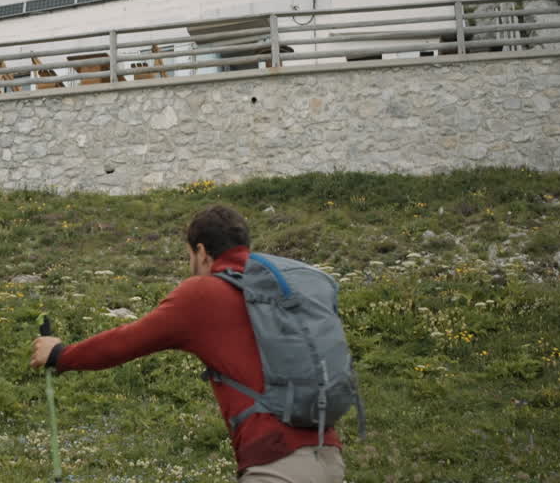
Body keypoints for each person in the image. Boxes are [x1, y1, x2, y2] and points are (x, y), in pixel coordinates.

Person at [29, 204, 346, 483]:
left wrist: (60, 354)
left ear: (202, 252)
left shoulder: (203, 294)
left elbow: (125, 341)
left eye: (190, 256)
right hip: (329, 458)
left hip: (277, 465)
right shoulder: (279, 289)